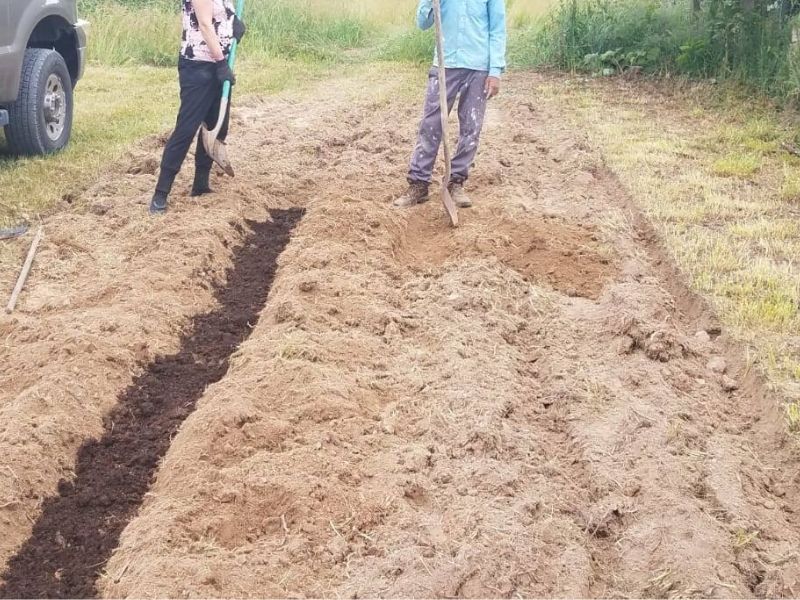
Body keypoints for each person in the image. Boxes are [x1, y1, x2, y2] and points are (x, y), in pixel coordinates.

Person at [395, 0, 506, 210]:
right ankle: (419, 184)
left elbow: (497, 29)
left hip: (478, 67)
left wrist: (495, 71)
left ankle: (456, 182)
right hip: (446, 64)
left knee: (471, 128)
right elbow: (422, 23)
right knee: (431, 125)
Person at [149, 0, 245, 215]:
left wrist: (234, 28)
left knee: (216, 128)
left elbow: (219, 19)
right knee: (186, 129)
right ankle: (160, 194)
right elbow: (204, 23)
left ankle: (200, 185)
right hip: (198, 67)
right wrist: (221, 62)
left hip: (220, 66)